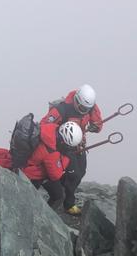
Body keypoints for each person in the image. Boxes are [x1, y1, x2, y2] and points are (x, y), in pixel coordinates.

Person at [38, 84, 103, 214]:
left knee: (81, 172)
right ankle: (68, 203)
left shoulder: (90, 107)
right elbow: (44, 125)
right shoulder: (62, 109)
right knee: (74, 174)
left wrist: (96, 127)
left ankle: (62, 189)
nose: (82, 110)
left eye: (85, 108)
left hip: (79, 145)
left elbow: (97, 123)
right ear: (76, 99)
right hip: (64, 147)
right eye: (80, 107)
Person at [23, 121, 84, 211]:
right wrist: (67, 157)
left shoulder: (52, 129)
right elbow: (55, 175)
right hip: (34, 173)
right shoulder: (51, 151)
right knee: (58, 197)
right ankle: (44, 216)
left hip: (30, 166)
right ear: (65, 141)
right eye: (69, 146)